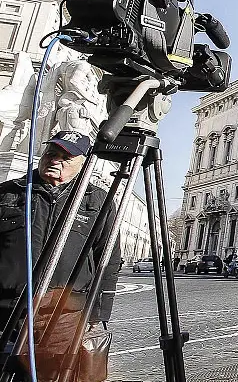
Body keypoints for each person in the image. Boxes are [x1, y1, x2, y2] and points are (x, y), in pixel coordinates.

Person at [0, 131, 121, 380]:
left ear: (84, 164)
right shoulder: (9, 193)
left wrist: (98, 317)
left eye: (66, 157)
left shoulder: (98, 201)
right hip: (5, 311)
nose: (55, 160)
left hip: (62, 318)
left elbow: (108, 262)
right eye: (52, 154)